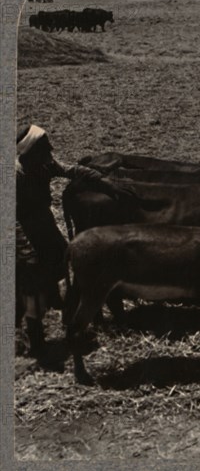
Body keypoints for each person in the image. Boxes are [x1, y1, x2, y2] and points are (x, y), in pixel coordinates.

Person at [16, 124, 133, 354]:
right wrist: (26, 249)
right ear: (32, 151)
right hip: (24, 228)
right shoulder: (17, 175)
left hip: (42, 221)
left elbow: (73, 170)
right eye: (44, 145)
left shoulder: (44, 163)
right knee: (32, 280)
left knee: (58, 262)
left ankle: (49, 302)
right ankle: (35, 337)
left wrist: (102, 181)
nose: (50, 148)